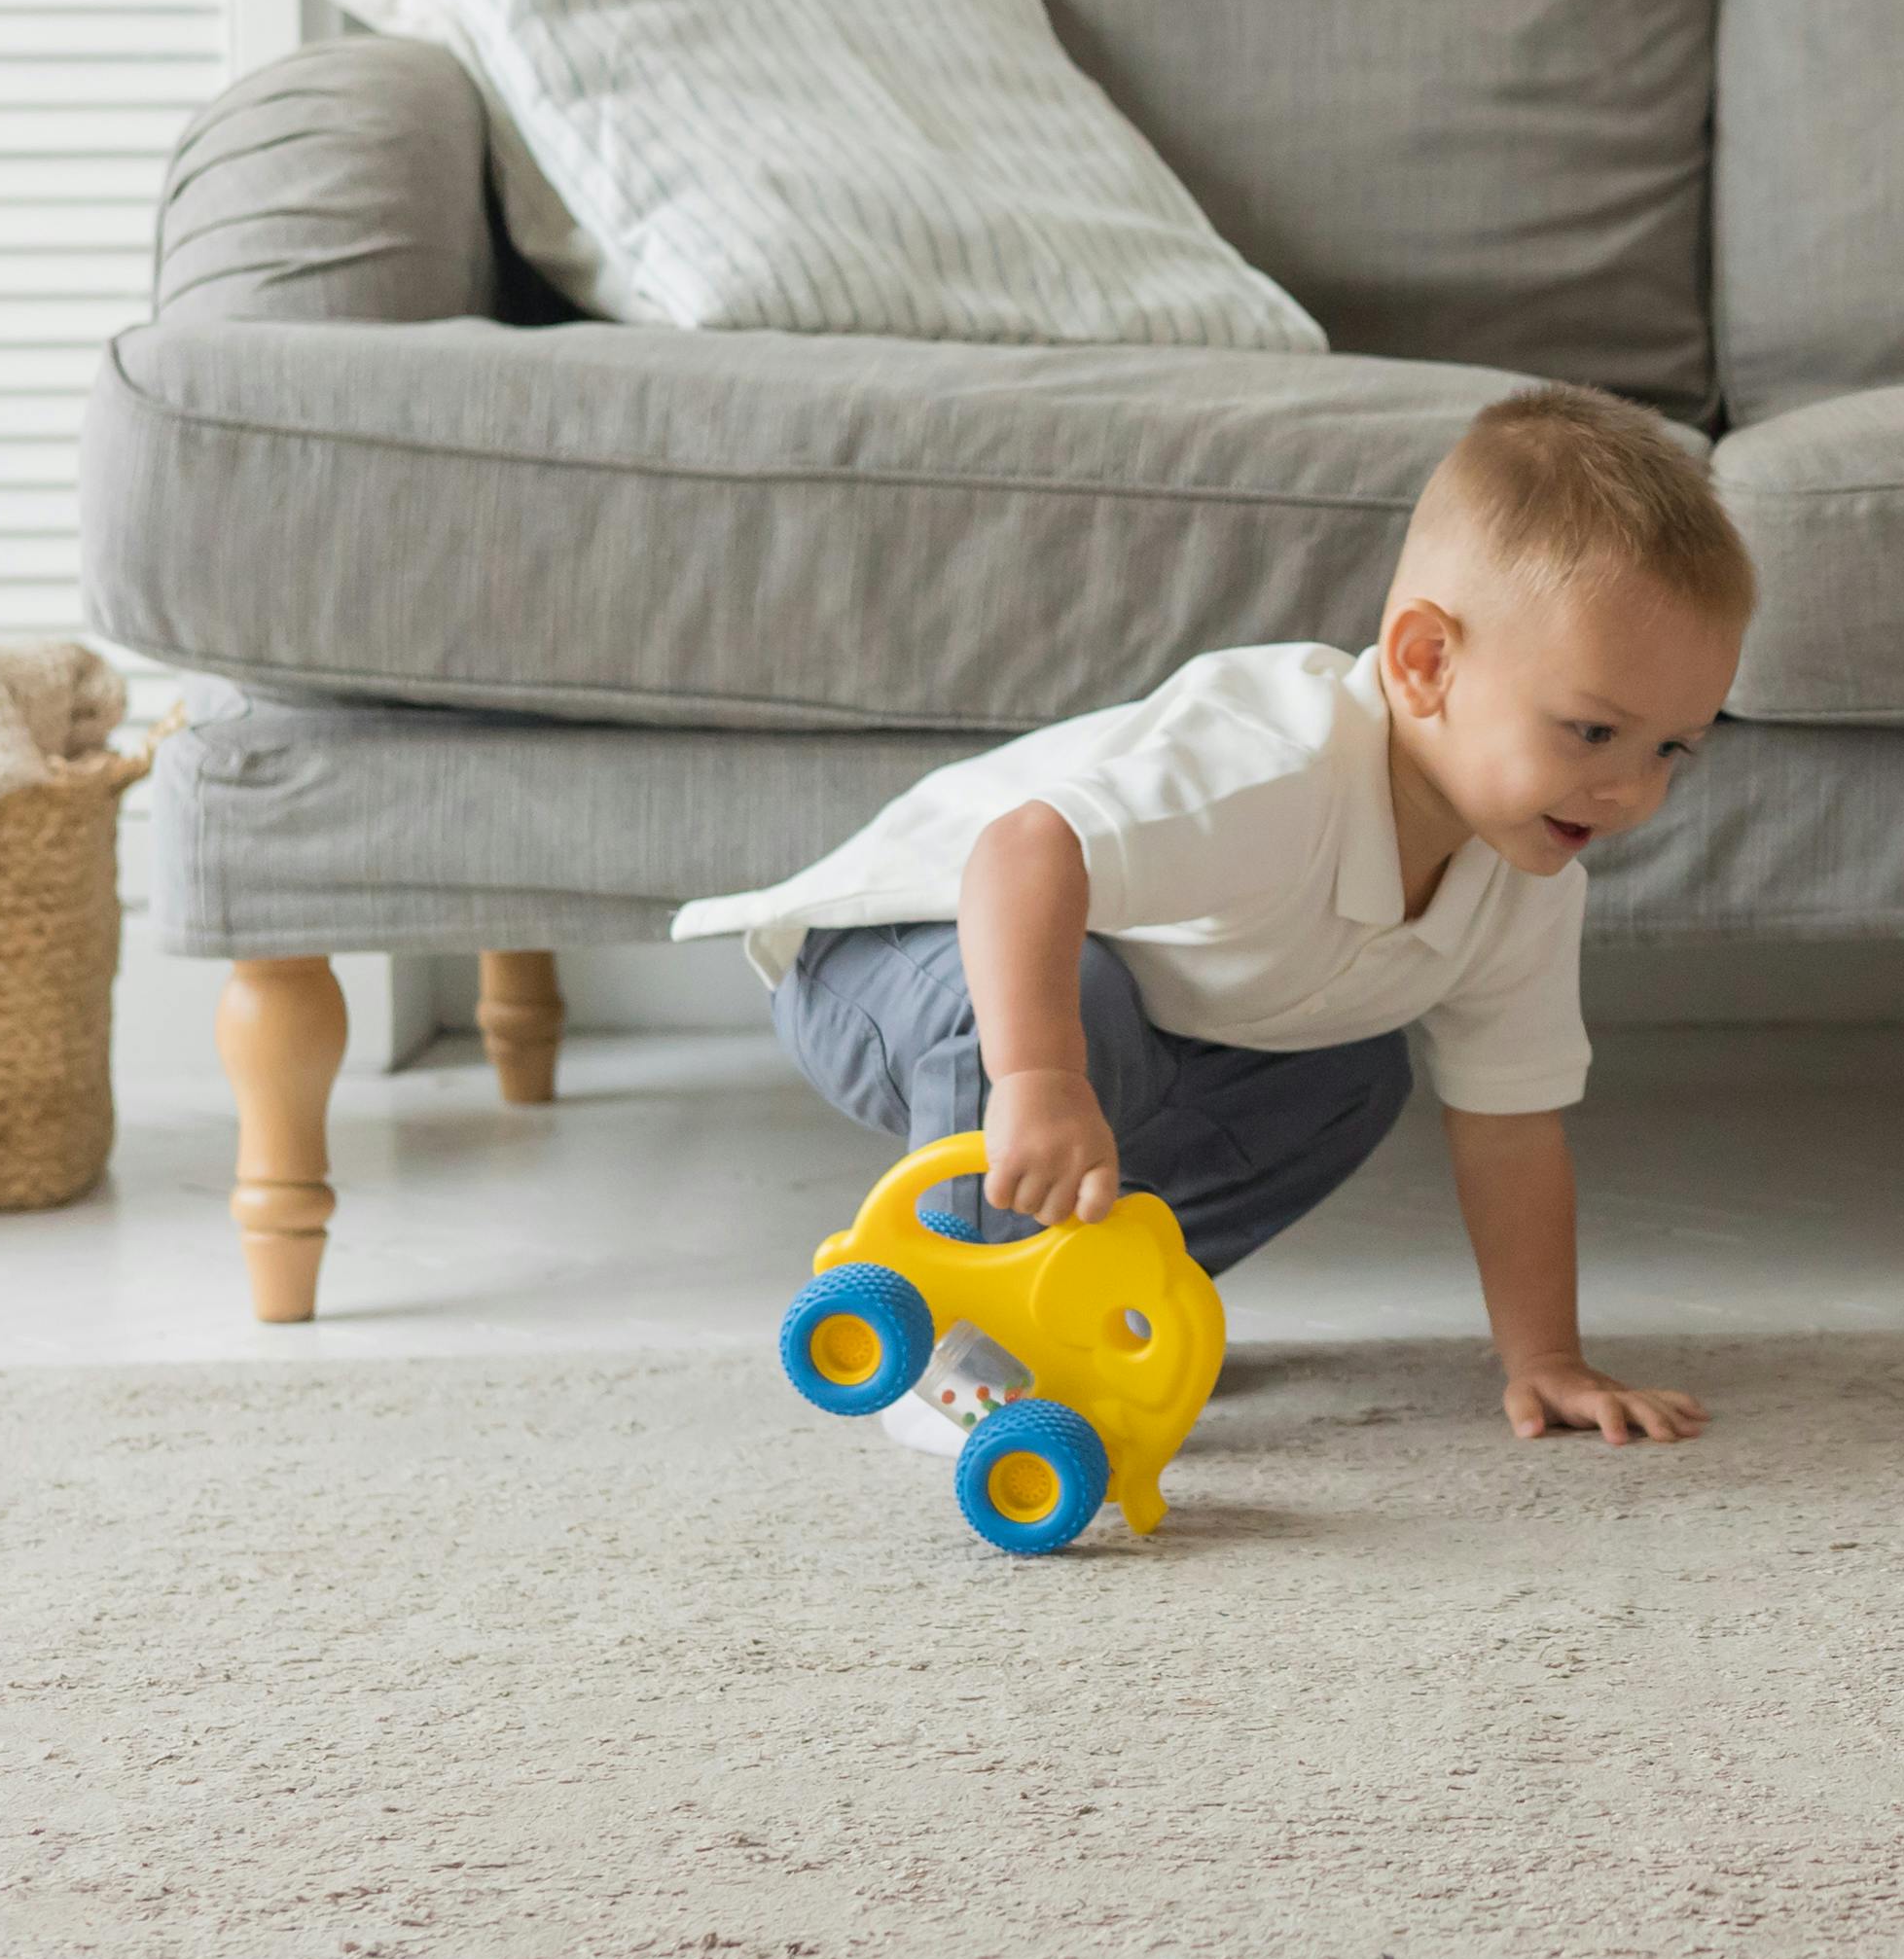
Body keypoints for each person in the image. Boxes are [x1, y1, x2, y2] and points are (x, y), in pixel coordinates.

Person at [674, 383, 1746, 1450]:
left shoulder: (1526, 879)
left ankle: (1098, 1303)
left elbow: (1509, 1127)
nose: (1633, 794)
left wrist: (1546, 1357)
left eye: (1669, 750)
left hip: (1126, 1009)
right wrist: (1037, 1082)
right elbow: (1023, 852)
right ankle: (959, 1345)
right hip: (895, 954)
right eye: (1592, 732)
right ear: (1427, 664)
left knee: (1354, 1075)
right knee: (1074, 1002)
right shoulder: (1272, 764)